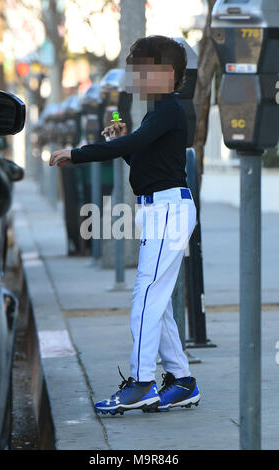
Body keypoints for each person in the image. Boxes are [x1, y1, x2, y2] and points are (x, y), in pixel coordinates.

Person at [49, 35, 200, 415]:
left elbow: (135, 150)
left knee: (145, 298)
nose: (134, 77)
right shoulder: (157, 112)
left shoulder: (168, 110)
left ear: (166, 74)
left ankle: (142, 383)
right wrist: (125, 142)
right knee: (157, 301)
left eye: (141, 70)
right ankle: (181, 381)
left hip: (168, 211)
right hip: (159, 209)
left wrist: (78, 153)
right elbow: (149, 166)